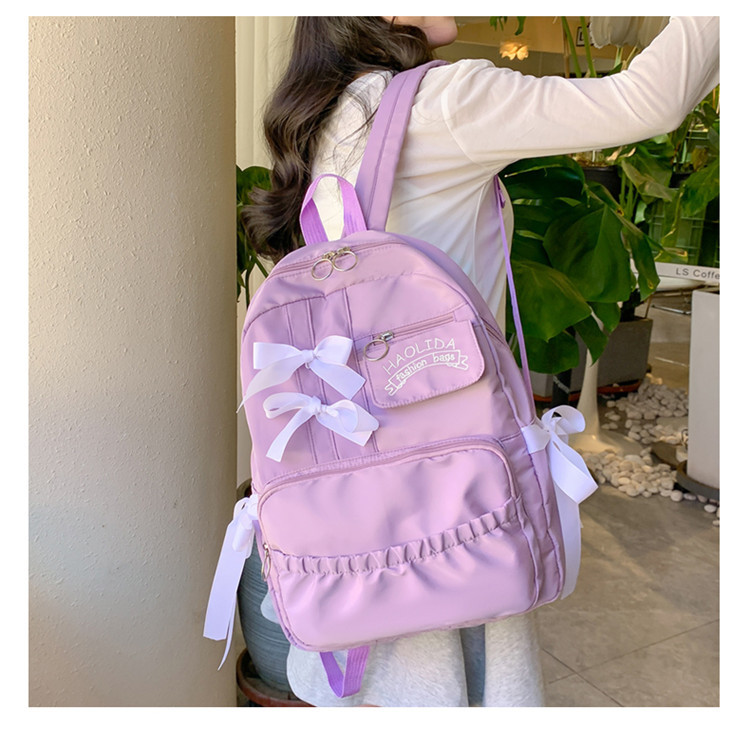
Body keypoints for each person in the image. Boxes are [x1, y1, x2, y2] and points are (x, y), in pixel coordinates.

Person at [243, 16, 720, 708]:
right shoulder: (444, 101)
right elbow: (651, 98)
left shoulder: (322, 114)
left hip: (350, 498)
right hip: (449, 490)